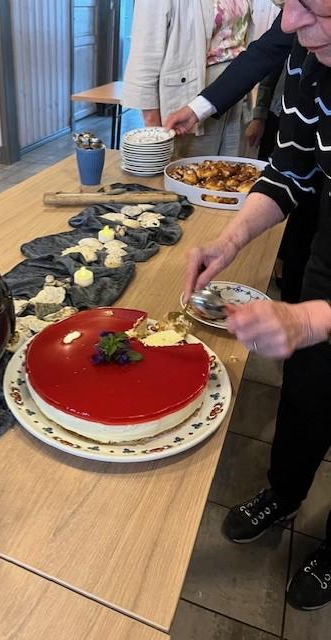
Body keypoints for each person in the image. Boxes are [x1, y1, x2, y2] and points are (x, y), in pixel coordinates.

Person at [184, 0, 331, 611]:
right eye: (288, 2)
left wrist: (307, 319)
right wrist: (230, 239)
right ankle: (285, 493)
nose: (291, 24)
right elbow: (291, 171)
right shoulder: (308, 49)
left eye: (318, 10)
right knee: (307, 393)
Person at [122, 0, 280, 157]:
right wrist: (154, 131)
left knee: (230, 170)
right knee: (188, 169)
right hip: (190, 96)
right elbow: (144, 58)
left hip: (237, 90)